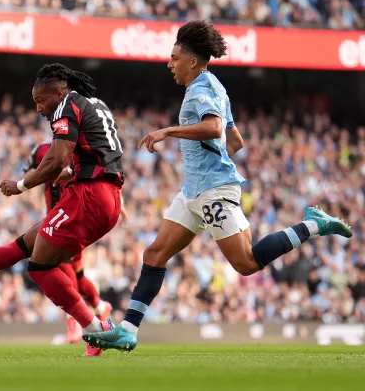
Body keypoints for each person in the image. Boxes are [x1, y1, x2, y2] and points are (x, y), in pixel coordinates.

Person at [83, 20, 353, 352]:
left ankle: (314, 223)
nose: (170, 64)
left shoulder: (200, 89)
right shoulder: (214, 86)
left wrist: (170, 133)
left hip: (211, 191)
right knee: (154, 253)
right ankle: (127, 329)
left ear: (192, 60)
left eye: (174, 58)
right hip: (195, 190)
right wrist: (209, 163)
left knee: (246, 264)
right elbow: (234, 139)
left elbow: (213, 129)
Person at [0, 63, 125, 356]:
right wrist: (72, 175)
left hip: (88, 198)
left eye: (41, 100)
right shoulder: (96, 104)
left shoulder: (66, 107)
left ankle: (94, 328)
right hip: (106, 195)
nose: (39, 109)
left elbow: (55, 160)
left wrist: (21, 185)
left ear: (59, 91)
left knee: (40, 268)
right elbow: (100, 153)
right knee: (22, 247)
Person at [23, 142, 121, 343]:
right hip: (57, 217)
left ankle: (75, 319)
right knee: (76, 274)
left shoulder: (85, 152)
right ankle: (99, 306)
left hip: (76, 217)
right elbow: (29, 171)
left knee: (65, 267)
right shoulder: (42, 151)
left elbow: (107, 176)